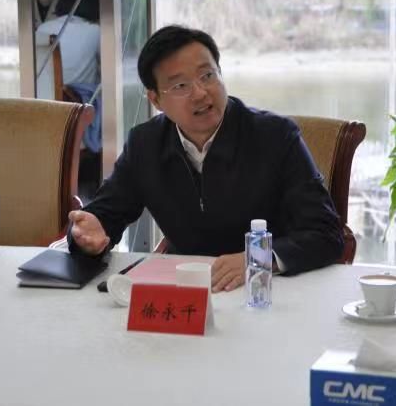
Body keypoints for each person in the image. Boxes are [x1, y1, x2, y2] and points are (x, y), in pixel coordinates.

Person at [68, 25, 344, 292]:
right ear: (155, 100)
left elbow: (326, 234)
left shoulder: (276, 136)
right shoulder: (145, 143)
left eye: (207, 75)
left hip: (264, 291)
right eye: (180, 85)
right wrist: (86, 237)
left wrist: (257, 259)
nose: (200, 93)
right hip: (185, 290)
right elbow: (103, 218)